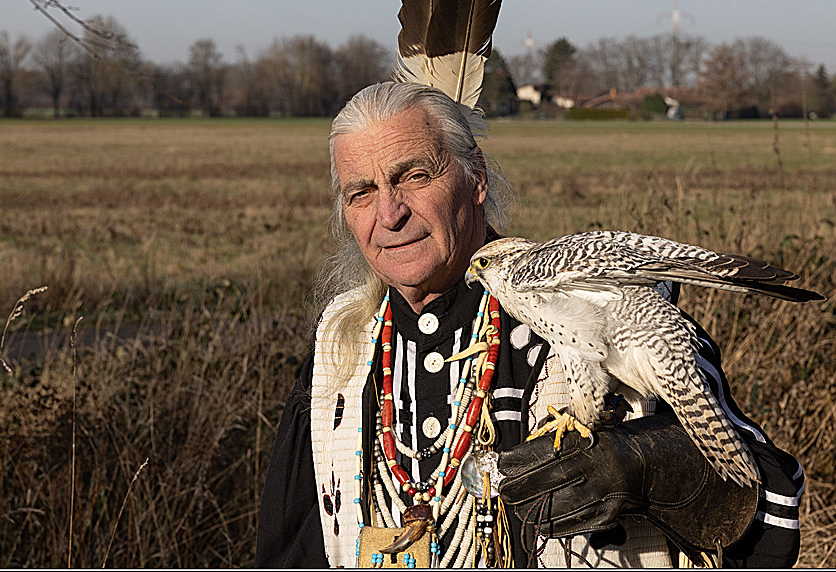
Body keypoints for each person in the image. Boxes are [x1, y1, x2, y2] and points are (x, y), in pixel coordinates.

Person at [255, 81, 804, 568]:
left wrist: (650, 465)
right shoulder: (342, 347)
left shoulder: (582, 305)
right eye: (362, 193)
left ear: (477, 181)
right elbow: (291, 547)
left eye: (414, 176)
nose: (389, 212)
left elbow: (769, 507)